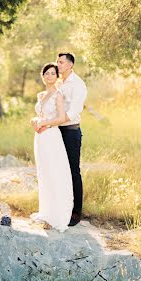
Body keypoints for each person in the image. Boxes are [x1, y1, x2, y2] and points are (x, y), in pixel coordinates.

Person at [30, 63, 73, 232]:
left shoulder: (58, 95)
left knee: (55, 172)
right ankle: (46, 212)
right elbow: (40, 114)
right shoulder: (41, 95)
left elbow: (62, 118)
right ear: (43, 76)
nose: (49, 76)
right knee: (44, 172)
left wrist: (45, 123)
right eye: (46, 73)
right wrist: (34, 121)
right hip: (40, 137)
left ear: (57, 76)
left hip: (52, 136)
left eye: (52, 73)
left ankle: (57, 216)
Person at [56, 53, 87, 226]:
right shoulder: (58, 83)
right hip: (56, 132)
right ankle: (62, 208)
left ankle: (76, 213)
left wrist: (53, 121)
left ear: (70, 64)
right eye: (57, 62)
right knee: (60, 172)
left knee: (73, 171)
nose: (58, 65)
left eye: (61, 62)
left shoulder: (78, 84)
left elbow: (75, 111)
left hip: (70, 132)